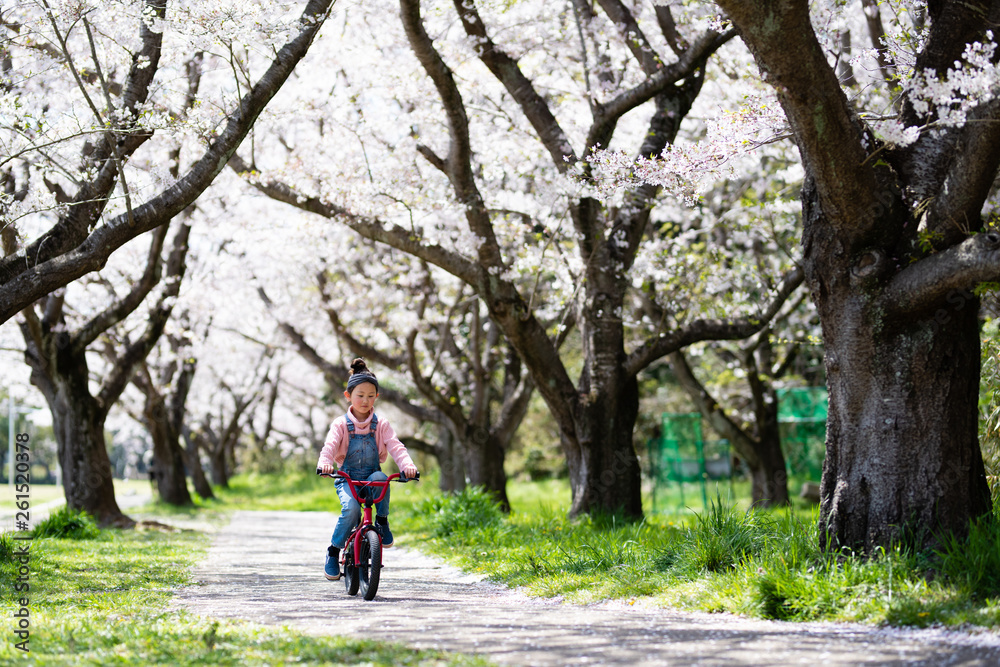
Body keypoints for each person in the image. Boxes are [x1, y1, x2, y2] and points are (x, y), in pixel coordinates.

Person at [317, 358, 419, 581]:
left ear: (377, 397)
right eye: (360, 395)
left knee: (382, 477)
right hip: (347, 478)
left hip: (371, 475)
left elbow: (395, 446)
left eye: (370, 396)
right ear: (348, 396)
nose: (365, 400)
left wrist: (408, 466)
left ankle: (382, 521)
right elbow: (330, 446)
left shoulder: (380, 423)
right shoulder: (341, 424)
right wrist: (325, 463)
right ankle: (333, 552)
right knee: (352, 509)